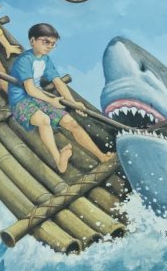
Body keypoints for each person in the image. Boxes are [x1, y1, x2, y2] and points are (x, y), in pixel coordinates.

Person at [9, 23, 114, 173]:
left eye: (53, 44)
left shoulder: (45, 60)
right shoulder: (24, 60)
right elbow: (30, 89)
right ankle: (58, 160)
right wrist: (51, 101)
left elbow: (58, 82)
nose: (50, 46)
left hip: (39, 98)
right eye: (46, 42)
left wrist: (73, 102)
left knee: (72, 124)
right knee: (44, 120)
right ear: (32, 41)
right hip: (21, 101)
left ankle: (101, 156)